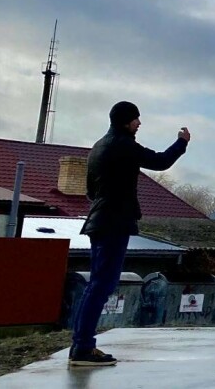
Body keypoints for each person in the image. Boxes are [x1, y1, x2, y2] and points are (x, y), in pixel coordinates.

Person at [73, 102, 190, 367]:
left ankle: (81, 345)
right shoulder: (124, 145)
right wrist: (181, 143)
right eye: (136, 119)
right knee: (102, 285)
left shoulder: (98, 147)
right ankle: (82, 348)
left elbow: (91, 191)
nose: (139, 123)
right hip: (113, 222)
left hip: (98, 221)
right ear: (125, 121)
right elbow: (159, 161)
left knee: (97, 285)